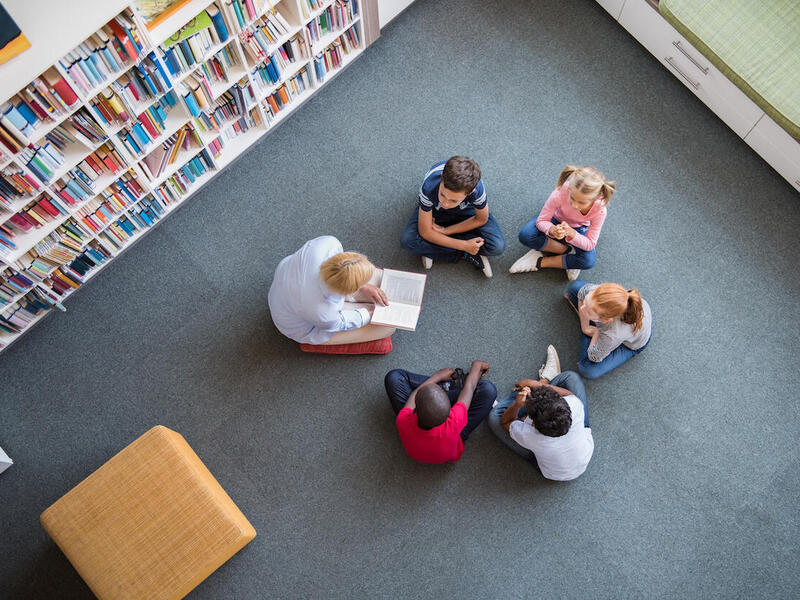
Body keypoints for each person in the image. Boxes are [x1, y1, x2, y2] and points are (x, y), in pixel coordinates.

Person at [487, 346, 594, 481]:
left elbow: (505, 422)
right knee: (570, 378)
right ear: (564, 404)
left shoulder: (531, 437)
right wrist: (534, 384)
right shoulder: (574, 405)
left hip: (552, 471)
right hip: (583, 456)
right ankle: (540, 384)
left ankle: (528, 393)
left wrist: (517, 404)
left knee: (494, 418)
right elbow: (569, 394)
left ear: (532, 423)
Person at [268, 235, 396, 345]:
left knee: (380, 281)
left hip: (290, 284)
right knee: (387, 329)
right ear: (348, 290)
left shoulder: (328, 244)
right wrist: (368, 315)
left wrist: (363, 286)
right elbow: (341, 322)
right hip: (303, 324)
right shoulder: (323, 313)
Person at [400, 156, 506, 278]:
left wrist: (445, 231)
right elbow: (425, 232)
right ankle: (466, 253)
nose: (445, 203)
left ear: (470, 192)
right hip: (435, 210)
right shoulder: (428, 187)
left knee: (497, 246)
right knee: (408, 240)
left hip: (466, 210)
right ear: (441, 180)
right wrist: (464, 246)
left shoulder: (477, 190)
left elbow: (481, 219)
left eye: (453, 200)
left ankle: (433, 248)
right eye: (442, 195)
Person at [510, 165, 615, 281]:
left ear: (597, 197)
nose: (575, 205)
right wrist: (552, 229)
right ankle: (567, 251)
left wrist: (572, 234)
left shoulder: (600, 210)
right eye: (572, 198)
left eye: (581, 202)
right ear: (569, 189)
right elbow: (542, 221)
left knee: (588, 261)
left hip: (579, 228)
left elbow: (590, 243)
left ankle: (540, 261)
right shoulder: (560, 192)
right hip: (556, 219)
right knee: (526, 235)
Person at [384, 360, 496, 464]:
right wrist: (477, 365)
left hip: (421, 443)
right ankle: (448, 388)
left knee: (394, 377)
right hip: (455, 436)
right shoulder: (454, 422)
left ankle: (441, 388)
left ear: (415, 409)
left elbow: (416, 393)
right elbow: (470, 387)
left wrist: (438, 376)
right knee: (488, 390)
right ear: (450, 412)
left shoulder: (403, 419)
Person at [564, 280, 652, 379]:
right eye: (586, 302)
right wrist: (585, 328)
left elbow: (594, 356)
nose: (582, 309)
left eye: (588, 311)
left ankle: (597, 336)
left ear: (606, 320)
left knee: (587, 370)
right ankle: (593, 331)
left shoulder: (611, 335)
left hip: (632, 344)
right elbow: (582, 293)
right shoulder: (593, 291)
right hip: (616, 329)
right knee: (574, 287)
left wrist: (598, 332)